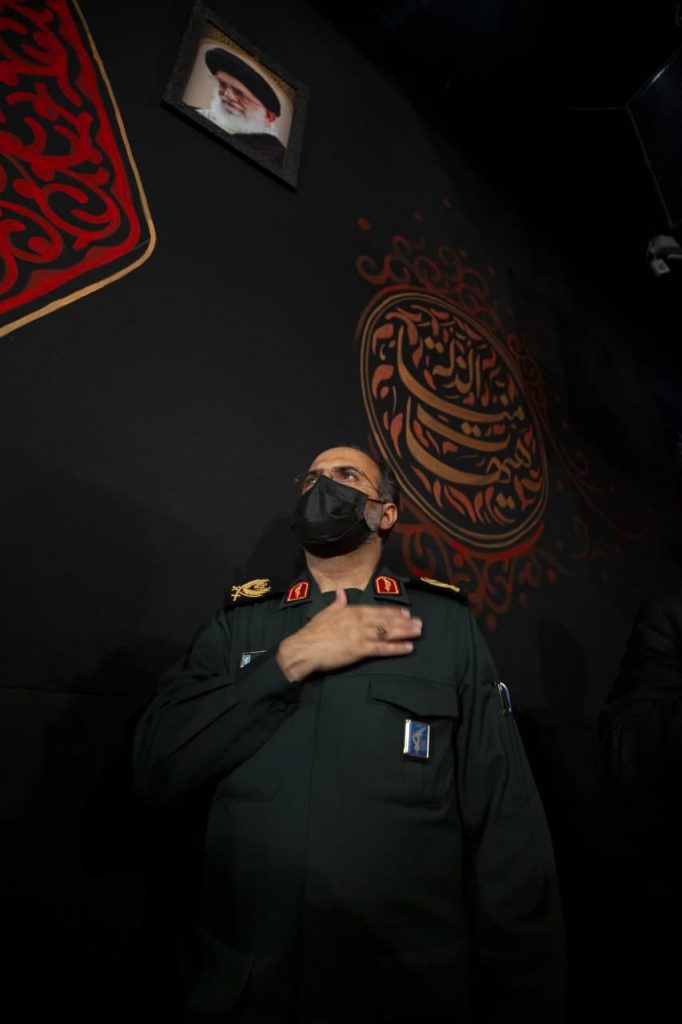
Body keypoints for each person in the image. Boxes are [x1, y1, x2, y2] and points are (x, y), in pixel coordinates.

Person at [132, 445, 567, 1023]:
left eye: (345, 475)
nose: (322, 486)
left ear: (385, 513)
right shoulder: (241, 624)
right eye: (310, 477)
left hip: (402, 992)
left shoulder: (443, 626)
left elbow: (505, 820)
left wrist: (527, 996)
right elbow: (158, 766)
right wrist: (288, 661)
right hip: (252, 987)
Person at [194, 47, 286, 167]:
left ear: (268, 117)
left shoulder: (274, 157)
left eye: (239, 93)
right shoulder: (198, 114)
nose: (226, 95)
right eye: (222, 84)